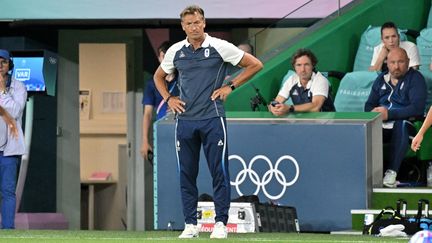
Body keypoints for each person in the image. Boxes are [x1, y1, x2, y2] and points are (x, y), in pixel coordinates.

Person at [153, 5, 263, 239]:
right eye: (189, 23)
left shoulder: (218, 46)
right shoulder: (175, 51)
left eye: (198, 22)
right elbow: (158, 77)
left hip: (213, 118)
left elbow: (255, 64)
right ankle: (190, 225)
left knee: (219, 173)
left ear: (204, 23)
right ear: (183, 26)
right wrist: (169, 98)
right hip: (185, 121)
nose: (194, 26)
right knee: (186, 173)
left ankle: (220, 224)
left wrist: (230, 86)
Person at [364, 47, 427, 188]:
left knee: (401, 124)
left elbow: (417, 108)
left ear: (408, 62)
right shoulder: (381, 79)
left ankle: (391, 174)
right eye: (392, 62)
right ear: (387, 63)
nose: (396, 66)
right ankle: (363, 172)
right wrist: (374, 113)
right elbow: (368, 105)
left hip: (409, 126)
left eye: (401, 62)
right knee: (365, 128)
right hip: (383, 125)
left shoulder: (416, 78)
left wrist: (389, 114)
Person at [0, 49, 27, 229]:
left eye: (3, 62)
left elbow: (16, 111)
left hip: (8, 151)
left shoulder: (18, 87)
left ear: (10, 65)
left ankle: (8, 231)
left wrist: (2, 91)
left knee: (7, 192)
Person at [140, 41, 179, 162]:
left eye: (169, 56)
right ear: (159, 58)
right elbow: (147, 114)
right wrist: (145, 141)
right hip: (162, 134)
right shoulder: (152, 84)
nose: (166, 60)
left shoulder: (184, 80)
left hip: (181, 132)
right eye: (163, 56)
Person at [268, 48, 335, 116]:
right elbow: (277, 101)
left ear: (313, 65)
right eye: (299, 65)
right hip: (303, 121)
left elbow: (315, 106)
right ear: (294, 67)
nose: (302, 69)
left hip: (326, 123)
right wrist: (273, 107)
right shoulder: (292, 80)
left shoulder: (320, 80)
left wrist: (290, 108)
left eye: (306, 65)